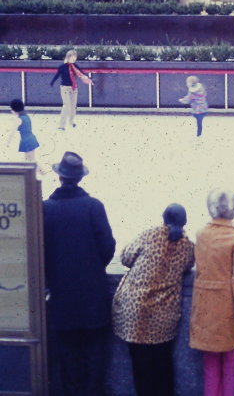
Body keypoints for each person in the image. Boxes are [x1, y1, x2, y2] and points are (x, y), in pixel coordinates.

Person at [43, 151, 116, 396]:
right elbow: (108, 246)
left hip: (61, 300)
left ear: (60, 177)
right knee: (94, 359)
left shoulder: (45, 209)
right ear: (79, 178)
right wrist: (92, 267)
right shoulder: (94, 206)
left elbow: (38, 252)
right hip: (93, 298)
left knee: (68, 362)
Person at [112, 203, 195, 396]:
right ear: (184, 223)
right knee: (163, 362)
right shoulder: (188, 247)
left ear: (163, 218)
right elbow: (188, 266)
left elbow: (125, 257)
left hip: (135, 311)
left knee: (140, 366)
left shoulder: (149, 235)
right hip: (164, 314)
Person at [189, 189, 234, 396]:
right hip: (227, 308)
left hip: (204, 307)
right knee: (230, 361)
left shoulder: (201, 234)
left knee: (210, 363)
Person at [50, 49, 92, 130]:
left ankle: (71, 121)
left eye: (75, 57)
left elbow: (81, 72)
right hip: (65, 88)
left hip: (73, 88)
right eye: (73, 57)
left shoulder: (75, 66)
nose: (74, 59)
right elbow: (57, 75)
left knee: (73, 106)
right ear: (69, 57)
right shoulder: (62, 67)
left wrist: (88, 78)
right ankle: (61, 125)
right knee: (66, 106)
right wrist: (52, 82)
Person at [6, 98, 40, 164]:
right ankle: (41, 173)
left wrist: (8, 142)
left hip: (26, 142)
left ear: (15, 110)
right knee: (28, 161)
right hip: (31, 139)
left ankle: (43, 173)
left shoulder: (18, 120)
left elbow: (12, 133)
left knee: (31, 163)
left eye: (12, 109)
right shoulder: (26, 116)